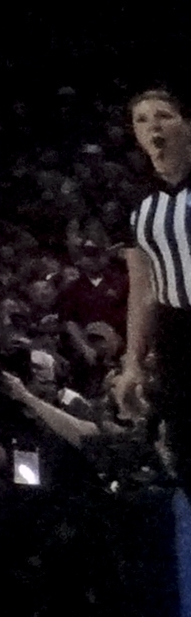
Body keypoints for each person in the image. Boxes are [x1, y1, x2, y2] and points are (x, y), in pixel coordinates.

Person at [122, 87, 189, 485]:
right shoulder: (139, 203)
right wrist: (132, 363)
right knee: (184, 451)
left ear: (187, 125)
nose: (153, 127)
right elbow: (142, 288)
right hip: (176, 333)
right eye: (142, 120)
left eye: (163, 115)